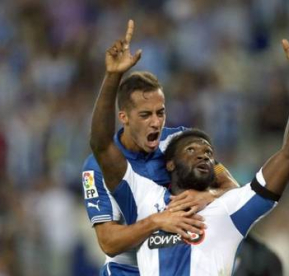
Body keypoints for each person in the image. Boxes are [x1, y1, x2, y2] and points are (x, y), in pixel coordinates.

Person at [90, 18, 289, 275]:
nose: (203, 155)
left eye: (209, 153)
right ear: (170, 163)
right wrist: (112, 76)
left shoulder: (230, 208)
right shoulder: (147, 199)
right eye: (191, 150)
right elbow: (101, 146)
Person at [82, 21, 238, 275]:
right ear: (124, 117)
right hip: (127, 269)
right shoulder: (97, 167)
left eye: (160, 112)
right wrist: (156, 222)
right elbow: (108, 242)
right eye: (145, 115)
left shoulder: (180, 142)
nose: (156, 122)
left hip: (174, 262)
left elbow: (231, 187)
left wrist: (207, 196)